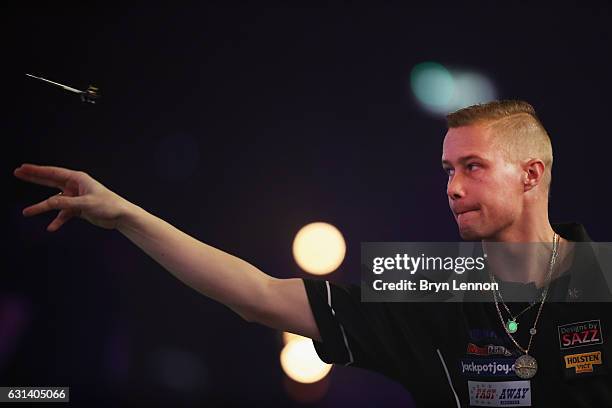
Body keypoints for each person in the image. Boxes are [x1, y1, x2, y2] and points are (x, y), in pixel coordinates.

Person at [13, 100, 611, 407]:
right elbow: (260, 296)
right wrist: (126, 216)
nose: (453, 188)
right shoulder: (434, 282)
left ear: (531, 174)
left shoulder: (602, 277)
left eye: (473, 168)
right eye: (448, 170)